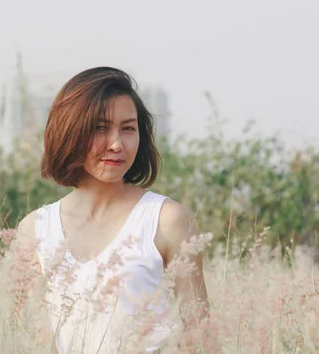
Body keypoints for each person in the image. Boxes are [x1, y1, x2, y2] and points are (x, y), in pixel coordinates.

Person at [17, 67, 208, 353]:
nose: (117, 144)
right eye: (100, 128)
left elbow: (201, 336)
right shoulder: (34, 229)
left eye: (128, 128)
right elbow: (37, 340)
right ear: (69, 131)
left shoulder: (167, 220)